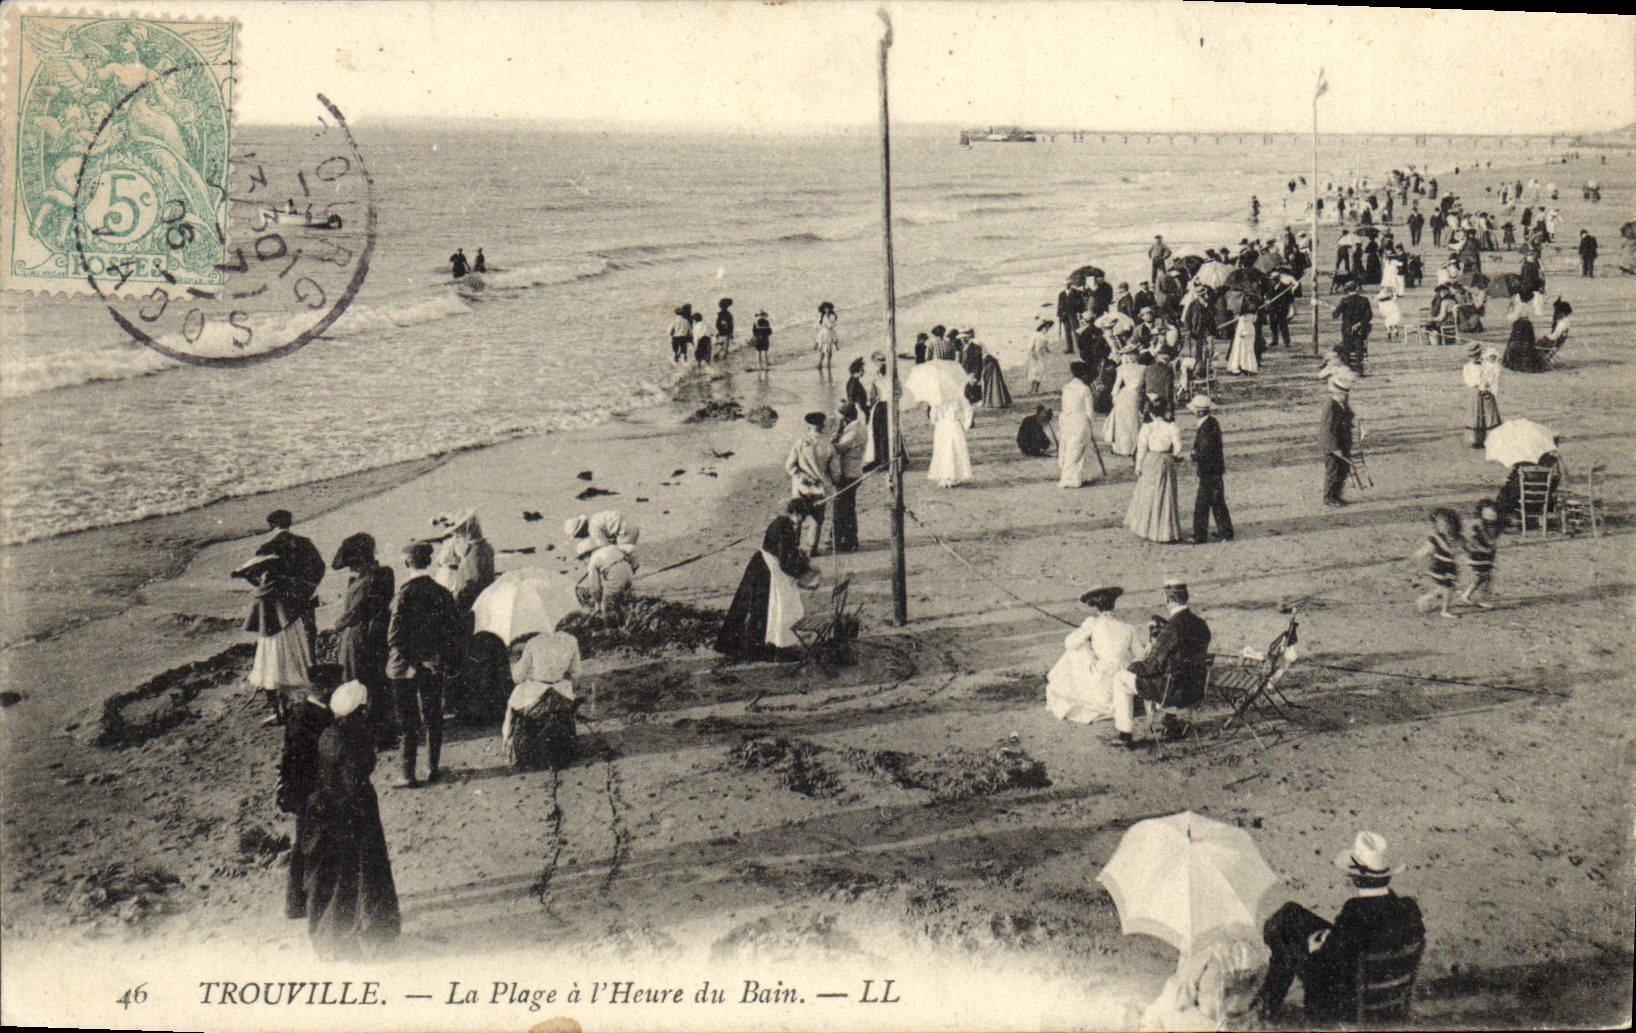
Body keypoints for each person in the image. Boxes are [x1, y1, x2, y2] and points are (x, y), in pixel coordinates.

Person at [1257, 831, 1425, 1023]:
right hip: (1384, 996)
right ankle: (1265, 1006)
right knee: (1291, 912)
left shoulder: (1354, 912)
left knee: (1286, 941)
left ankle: (1265, 1009)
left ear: (1356, 878)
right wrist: (1331, 937)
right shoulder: (1407, 908)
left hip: (1347, 1004)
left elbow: (1323, 962)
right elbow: (1356, 941)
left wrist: (1314, 947)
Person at [286, 680, 401, 959]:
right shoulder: (355, 736)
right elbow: (353, 780)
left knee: (333, 877)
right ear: (359, 709)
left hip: (326, 809)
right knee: (366, 869)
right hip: (355, 809)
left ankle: (334, 936)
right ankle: (372, 931)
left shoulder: (328, 733)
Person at [386, 541, 461, 788]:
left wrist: (415, 658)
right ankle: (433, 768)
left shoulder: (403, 594)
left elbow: (394, 638)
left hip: (405, 667)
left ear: (407, 563)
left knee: (407, 722)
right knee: (433, 717)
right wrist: (434, 658)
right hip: (433, 664)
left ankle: (407, 774)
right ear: (428, 561)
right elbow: (453, 632)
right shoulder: (442, 592)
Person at [1112, 578, 1211, 746]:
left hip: (1171, 692)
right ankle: (1170, 723)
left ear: (1166, 599)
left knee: (1120, 679)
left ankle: (1125, 734)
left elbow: (1152, 667)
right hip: (1195, 689)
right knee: (1172, 672)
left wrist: (1134, 666)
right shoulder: (1201, 625)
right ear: (1186, 597)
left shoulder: (1171, 628)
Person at [715, 498, 813, 660]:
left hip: (760, 564)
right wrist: (802, 570)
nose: (801, 521)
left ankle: (749, 646)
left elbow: (784, 552)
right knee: (772, 608)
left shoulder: (780, 522)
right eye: (801, 517)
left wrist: (797, 557)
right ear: (795, 514)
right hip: (768, 569)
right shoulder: (786, 528)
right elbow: (785, 562)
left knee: (753, 607)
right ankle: (771, 647)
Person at [330, 533, 395, 745]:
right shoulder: (384, 574)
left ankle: (366, 733)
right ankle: (383, 730)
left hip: (359, 638)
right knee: (377, 683)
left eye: (352, 564)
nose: (350, 569)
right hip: (378, 635)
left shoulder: (366, 581)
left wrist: (338, 624)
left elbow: (354, 613)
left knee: (358, 681)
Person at [237, 553, 315, 727]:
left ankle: (278, 712)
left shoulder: (263, 592)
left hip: (273, 637)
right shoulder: (287, 583)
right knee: (289, 670)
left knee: (270, 674)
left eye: (259, 573)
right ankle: (288, 709)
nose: (259, 577)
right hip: (291, 631)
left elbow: (257, 615)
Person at [1045, 586, 1137, 724]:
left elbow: (1069, 643)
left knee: (1076, 650)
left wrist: (1086, 633)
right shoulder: (1128, 627)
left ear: (1095, 607)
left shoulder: (1093, 623)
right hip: (1124, 681)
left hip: (1103, 687)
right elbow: (1140, 656)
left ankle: (1063, 686)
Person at [502, 629, 582, 771]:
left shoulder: (533, 643)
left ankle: (508, 742)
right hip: (560, 694)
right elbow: (576, 672)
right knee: (567, 692)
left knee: (513, 704)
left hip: (536, 696)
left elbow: (517, 677)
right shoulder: (571, 640)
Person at [257, 509, 325, 654]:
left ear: (271, 525)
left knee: (284, 634)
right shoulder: (304, 542)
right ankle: (310, 665)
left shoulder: (267, 548)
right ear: (289, 523)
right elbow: (320, 567)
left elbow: (259, 574)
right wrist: (309, 587)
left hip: (280, 598)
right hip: (304, 594)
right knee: (308, 630)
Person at [278, 664, 339, 817]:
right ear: (327, 689)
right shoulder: (305, 719)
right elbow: (295, 760)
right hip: (310, 790)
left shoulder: (306, 712)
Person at [1125, 405, 1184, 543]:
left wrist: (1138, 466)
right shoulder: (1172, 427)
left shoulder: (1147, 427)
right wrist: (1173, 455)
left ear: (1151, 414)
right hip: (1166, 460)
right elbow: (1179, 446)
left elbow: (1141, 449)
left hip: (1151, 459)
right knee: (1166, 494)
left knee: (1148, 494)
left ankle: (1146, 528)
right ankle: (1165, 531)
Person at [786, 411, 838, 552]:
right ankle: (811, 549)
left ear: (808, 425)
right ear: (822, 425)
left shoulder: (801, 443)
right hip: (819, 490)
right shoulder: (828, 445)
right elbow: (836, 472)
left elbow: (790, 465)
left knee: (797, 520)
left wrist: (802, 476)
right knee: (816, 521)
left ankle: (794, 548)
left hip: (800, 489)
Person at [1188, 396, 1233, 544]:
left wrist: (1193, 456)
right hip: (1216, 469)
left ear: (1199, 412)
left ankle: (1200, 535)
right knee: (1218, 502)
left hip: (1208, 471)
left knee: (1202, 504)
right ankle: (1225, 532)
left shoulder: (1205, 428)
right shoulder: (1213, 423)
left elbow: (1205, 451)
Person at [431, 509, 494, 612]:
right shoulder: (483, 547)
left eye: (460, 531)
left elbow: (474, 581)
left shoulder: (476, 551)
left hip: (473, 602)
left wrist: (459, 598)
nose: (459, 535)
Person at [831, 401, 867, 553]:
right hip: (855, 471)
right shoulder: (859, 427)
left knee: (841, 508)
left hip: (848, 474)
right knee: (847, 507)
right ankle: (846, 538)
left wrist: (836, 432)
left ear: (844, 418)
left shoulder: (851, 433)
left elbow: (835, 449)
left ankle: (844, 540)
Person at [1056, 362, 1099, 486]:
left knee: (1069, 447)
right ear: (1084, 375)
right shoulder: (1085, 389)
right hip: (1080, 421)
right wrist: (1091, 424)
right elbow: (1089, 411)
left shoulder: (1066, 387)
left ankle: (1082, 476)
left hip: (1066, 420)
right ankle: (1070, 479)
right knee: (1078, 450)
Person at [1320, 370, 1357, 508]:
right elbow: (1327, 431)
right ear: (1334, 393)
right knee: (1333, 471)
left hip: (1343, 443)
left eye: (1346, 394)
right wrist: (1334, 448)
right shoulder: (1330, 407)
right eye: (1342, 394)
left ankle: (1337, 495)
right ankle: (1329, 497)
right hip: (1332, 446)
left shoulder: (1342, 404)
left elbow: (1349, 415)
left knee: (1343, 470)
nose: (1344, 396)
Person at [575, 540, 636, 621]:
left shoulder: (592, 561)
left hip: (616, 579)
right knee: (617, 599)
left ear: (586, 554)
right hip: (628, 573)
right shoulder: (610, 548)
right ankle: (625, 619)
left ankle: (609, 627)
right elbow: (630, 551)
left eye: (582, 559)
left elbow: (595, 587)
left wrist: (597, 603)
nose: (584, 562)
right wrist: (632, 567)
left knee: (605, 606)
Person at [1105, 349, 1144, 458]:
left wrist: (1114, 397)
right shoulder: (1142, 368)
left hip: (1124, 395)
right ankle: (1134, 446)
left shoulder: (1122, 369)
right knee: (1133, 421)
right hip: (1135, 395)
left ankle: (1123, 447)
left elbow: (1116, 386)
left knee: (1123, 423)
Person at [1461, 500, 1500, 608]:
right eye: (1489, 511)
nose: (1493, 514)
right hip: (1477, 555)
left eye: (1494, 511)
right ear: (1482, 513)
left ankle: (1468, 595)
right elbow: (1470, 539)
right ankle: (1481, 599)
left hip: (1486, 556)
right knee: (1484, 576)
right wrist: (1481, 548)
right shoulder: (1478, 525)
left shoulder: (1492, 526)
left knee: (1483, 577)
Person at [1332, 280, 1372, 375]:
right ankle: (1360, 369)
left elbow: (1335, 314)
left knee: (1347, 348)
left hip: (1347, 328)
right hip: (1360, 329)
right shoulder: (1364, 300)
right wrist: (1359, 324)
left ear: (1347, 290)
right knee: (1359, 348)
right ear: (1357, 289)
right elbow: (1368, 316)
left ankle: (1347, 368)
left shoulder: (1344, 301)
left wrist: (1335, 311)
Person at [1465, 349, 1502, 447]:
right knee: (1476, 413)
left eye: (1476, 355)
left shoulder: (1485, 365)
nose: (1474, 358)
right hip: (1474, 391)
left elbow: (1492, 375)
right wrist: (1477, 383)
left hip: (1486, 391)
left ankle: (1492, 438)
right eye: (1472, 356)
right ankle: (1477, 439)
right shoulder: (1467, 367)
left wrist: (1487, 385)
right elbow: (1468, 381)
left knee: (1489, 413)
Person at [1501, 292, 1545, 372]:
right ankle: (1527, 364)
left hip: (1519, 325)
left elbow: (1511, 317)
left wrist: (1510, 307)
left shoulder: (1518, 305)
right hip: (1528, 325)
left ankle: (1516, 364)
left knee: (1516, 344)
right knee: (1527, 345)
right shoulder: (1533, 301)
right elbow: (1538, 313)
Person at [564, 509, 641, 555]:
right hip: (630, 525)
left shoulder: (593, 529)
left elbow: (606, 547)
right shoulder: (595, 518)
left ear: (581, 530)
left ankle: (624, 576)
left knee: (619, 555)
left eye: (578, 536)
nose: (581, 538)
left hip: (626, 532)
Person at [1027, 320, 1053, 394]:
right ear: (1042, 327)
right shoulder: (1036, 334)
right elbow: (1031, 345)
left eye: (1048, 328)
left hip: (1042, 355)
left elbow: (1046, 347)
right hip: (1035, 354)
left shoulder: (1046, 336)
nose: (1047, 329)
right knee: (1034, 371)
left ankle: (1036, 389)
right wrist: (1032, 353)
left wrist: (1048, 350)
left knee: (1041, 371)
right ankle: (1032, 388)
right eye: (1046, 327)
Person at [1057, 282, 1083, 355]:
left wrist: (1080, 313)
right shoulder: (1061, 294)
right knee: (1067, 332)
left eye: (1068, 284)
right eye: (1065, 284)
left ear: (1070, 284)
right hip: (1064, 316)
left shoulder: (1076, 293)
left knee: (1076, 331)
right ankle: (1069, 349)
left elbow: (1080, 304)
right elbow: (1059, 305)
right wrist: (1059, 315)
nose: (1066, 285)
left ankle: (1081, 348)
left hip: (1073, 314)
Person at [814, 301, 839, 373]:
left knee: (829, 350)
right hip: (822, 334)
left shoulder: (832, 316)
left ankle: (828, 363)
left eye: (828, 308)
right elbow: (816, 326)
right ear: (823, 309)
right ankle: (820, 363)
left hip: (829, 333)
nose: (827, 310)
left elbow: (831, 325)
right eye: (825, 309)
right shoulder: (821, 317)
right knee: (822, 351)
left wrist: (827, 319)